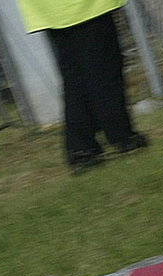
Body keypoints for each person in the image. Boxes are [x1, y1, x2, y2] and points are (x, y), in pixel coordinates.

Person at [18, 0, 149, 173]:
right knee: (104, 71)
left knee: (74, 79)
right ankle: (122, 136)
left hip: (49, 10)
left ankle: (81, 150)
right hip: (86, 7)